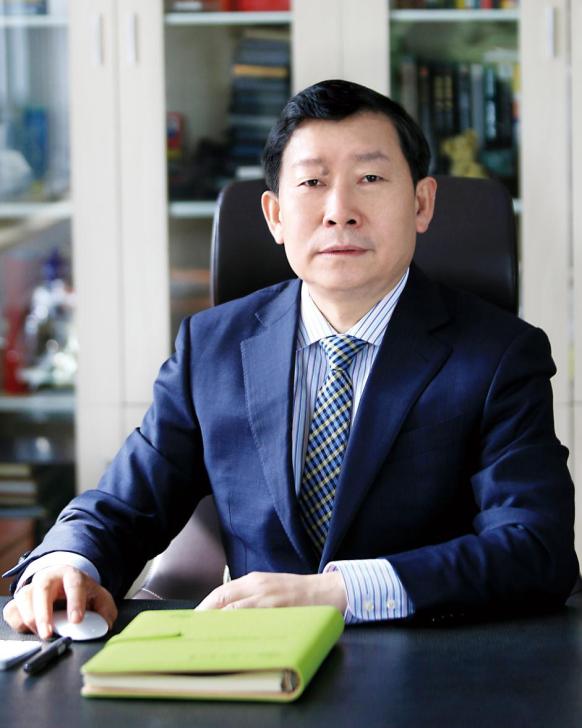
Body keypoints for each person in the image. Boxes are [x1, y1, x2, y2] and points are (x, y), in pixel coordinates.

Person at [3, 79, 578, 639]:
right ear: (275, 215)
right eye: (312, 183)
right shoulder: (212, 347)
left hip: (429, 664)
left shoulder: (500, 355)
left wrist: (340, 592)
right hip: (252, 671)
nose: (340, 211)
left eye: (370, 178)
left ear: (421, 203)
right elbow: (124, 502)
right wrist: (68, 561)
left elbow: (536, 547)